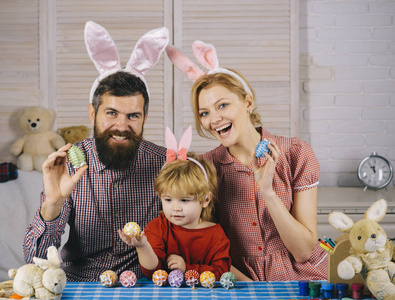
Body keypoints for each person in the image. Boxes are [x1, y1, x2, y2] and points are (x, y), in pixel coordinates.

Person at [166, 41, 328, 281]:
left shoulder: (295, 153)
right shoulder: (205, 168)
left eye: (223, 105)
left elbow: (303, 251)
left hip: (300, 276)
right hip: (237, 279)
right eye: (204, 113)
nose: (215, 119)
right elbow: (207, 246)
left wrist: (268, 193)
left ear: (248, 102)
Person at [23, 22, 169, 281]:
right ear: (93, 113)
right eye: (111, 113)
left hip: (143, 283)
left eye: (133, 115)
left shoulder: (165, 164)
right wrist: (53, 204)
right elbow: (35, 260)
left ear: (145, 116)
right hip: (81, 280)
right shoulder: (69, 163)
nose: (122, 126)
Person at [118, 127, 231, 281]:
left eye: (184, 200)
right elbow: (152, 271)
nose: (175, 208)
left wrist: (187, 269)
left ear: (205, 200)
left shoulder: (216, 235)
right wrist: (142, 246)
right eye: (168, 200)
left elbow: (222, 273)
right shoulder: (157, 227)